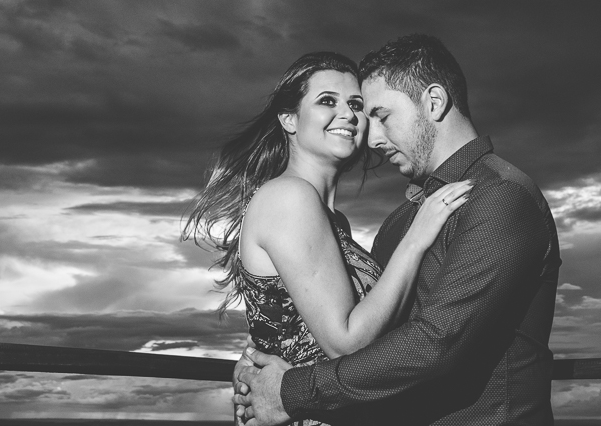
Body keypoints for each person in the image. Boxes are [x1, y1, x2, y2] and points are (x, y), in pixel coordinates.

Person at [235, 34, 562, 426]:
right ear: (290, 119)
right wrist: (260, 361)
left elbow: (435, 342)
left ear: (434, 102)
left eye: (379, 114)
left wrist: (288, 390)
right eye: (331, 103)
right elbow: (370, 334)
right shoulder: (400, 224)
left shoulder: (500, 197)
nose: (369, 136)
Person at [183, 51, 473, 426]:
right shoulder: (289, 197)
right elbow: (346, 343)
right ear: (289, 119)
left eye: (356, 104)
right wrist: (417, 238)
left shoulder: (332, 220)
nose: (349, 114)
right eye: (326, 101)